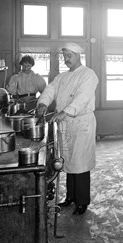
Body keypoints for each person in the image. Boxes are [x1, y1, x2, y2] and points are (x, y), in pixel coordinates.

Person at [36, 43, 98, 216]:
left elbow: (83, 97)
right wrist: (42, 103)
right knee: (67, 160)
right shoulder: (62, 77)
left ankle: (82, 201)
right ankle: (70, 197)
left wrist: (65, 112)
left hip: (81, 123)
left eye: (69, 55)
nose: (66, 59)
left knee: (80, 162)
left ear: (78, 55)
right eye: (64, 56)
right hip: (65, 123)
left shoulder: (88, 74)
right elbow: (50, 90)